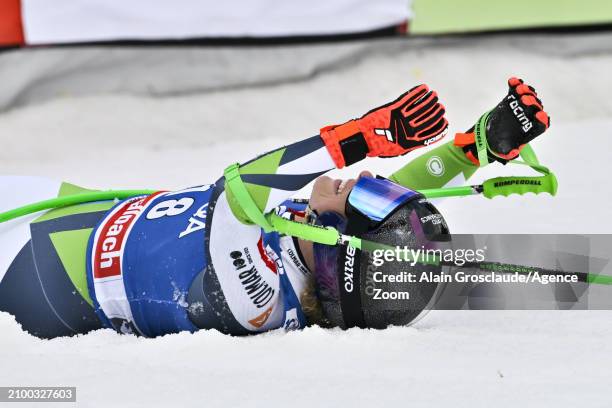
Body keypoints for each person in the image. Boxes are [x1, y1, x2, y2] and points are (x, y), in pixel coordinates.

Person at [0, 77, 550, 338]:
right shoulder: (311, 250)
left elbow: (239, 192)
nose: (365, 179)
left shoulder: (255, 300)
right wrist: (474, 149)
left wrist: (358, 138)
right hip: (69, 208)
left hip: (33, 271)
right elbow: (389, 213)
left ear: (342, 255)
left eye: (365, 194)